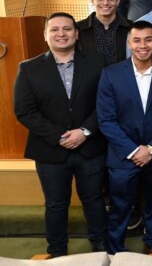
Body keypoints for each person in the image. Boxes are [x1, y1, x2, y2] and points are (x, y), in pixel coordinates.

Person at [14, 13, 107, 257]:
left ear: (76, 34)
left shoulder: (97, 63)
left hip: (90, 147)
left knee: (94, 199)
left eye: (67, 29)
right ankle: (57, 252)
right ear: (45, 35)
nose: (61, 33)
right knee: (55, 204)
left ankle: (101, 247)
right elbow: (24, 111)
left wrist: (85, 131)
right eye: (54, 29)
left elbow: (106, 104)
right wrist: (60, 136)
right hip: (50, 150)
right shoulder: (28, 68)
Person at [96, 21, 152, 256]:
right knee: (120, 206)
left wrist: (151, 148)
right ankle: (115, 250)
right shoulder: (111, 74)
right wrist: (133, 150)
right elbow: (106, 120)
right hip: (123, 156)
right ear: (129, 43)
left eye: (148, 40)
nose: (143, 45)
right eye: (137, 40)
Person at [77, 0, 131, 66]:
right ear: (92, 0)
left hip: (123, 74)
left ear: (118, 1)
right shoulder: (77, 29)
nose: (105, 3)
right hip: (90, 75)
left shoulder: (132, 28)